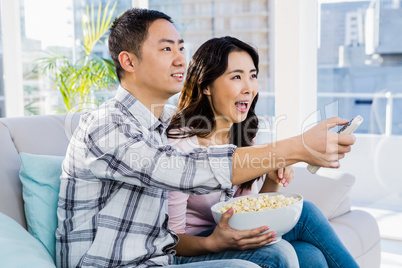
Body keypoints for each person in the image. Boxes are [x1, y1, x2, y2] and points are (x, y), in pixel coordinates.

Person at [56, 8, 356, 268]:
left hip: (156, 256)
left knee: (310, 255)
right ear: (129, 62)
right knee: (276, 255)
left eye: (181, 48)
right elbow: (183, 171)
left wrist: (273, 168)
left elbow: (229, 207)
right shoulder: (105, 125)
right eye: (166, 49)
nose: (180, 59)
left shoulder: (160, 124)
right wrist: (295, 148)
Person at [167, 36, 359, 268]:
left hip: (234, 235)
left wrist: (271, 180)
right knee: (305, 215)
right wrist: (213, 243)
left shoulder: (244, 135)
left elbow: (248, 210)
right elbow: (171, 241)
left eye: (253, 75)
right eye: (237, 77)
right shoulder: (181, 144)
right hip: (195, 247)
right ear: (206, 86)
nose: (249, 88)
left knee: (310, 255)